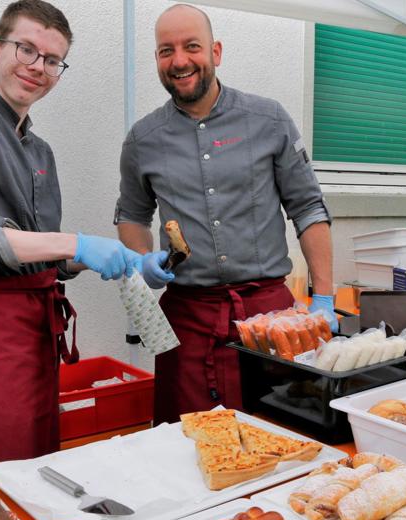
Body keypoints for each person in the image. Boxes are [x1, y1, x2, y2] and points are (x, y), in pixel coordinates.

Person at [0, 0, 140, 467]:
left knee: (38, 464)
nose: (39, 67)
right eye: (27, 50)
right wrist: (77, 243)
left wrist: (114, 258)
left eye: (53, 60)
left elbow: (41, 253)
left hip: (37, 330)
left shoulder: (39, 151)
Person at [115, 4, 336, 425]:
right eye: (166, 51)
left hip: (270, 317)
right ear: (157, 59)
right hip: (186, 319)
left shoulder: (269, 120)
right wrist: (142, 259)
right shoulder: (143, 139)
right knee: (184, 442)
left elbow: (308, 207)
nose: (179, 60)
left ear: (215, 51)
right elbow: (131, 214)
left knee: (280, 436)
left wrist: (323, 296)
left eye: (191, 46)